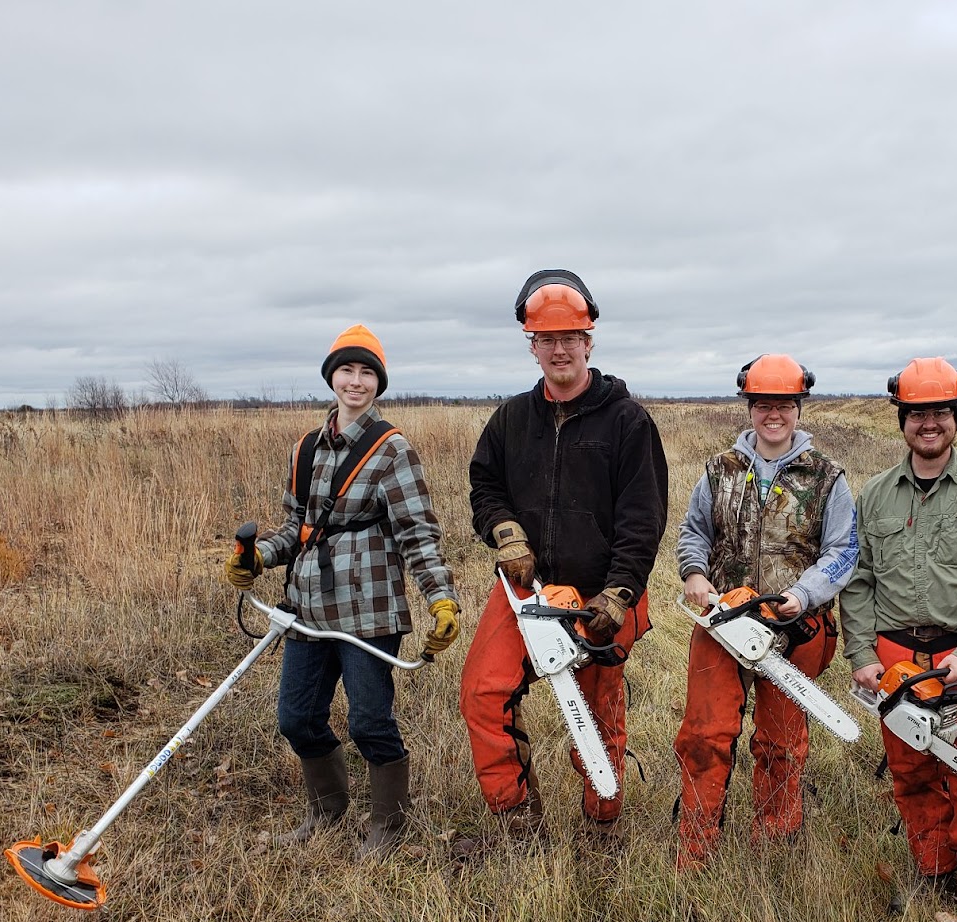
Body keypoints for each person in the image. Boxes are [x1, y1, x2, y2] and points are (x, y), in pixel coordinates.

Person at [225, 324, 461, 859]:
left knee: (369, 721)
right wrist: (258, 557)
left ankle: (389, 826)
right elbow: (297, 528)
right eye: (347, 370)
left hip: (370, 611)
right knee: (297, 717)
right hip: (307, 609)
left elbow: (419, 535)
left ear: (379, 383)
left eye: (367, 372)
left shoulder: (392, 449)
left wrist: (439, 599)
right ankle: (326, 814)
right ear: (331, 376)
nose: (356, 381)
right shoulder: (305, 448)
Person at [461, 270, 668, 839]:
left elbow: (643, 520)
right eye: (546, 339)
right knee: (483, 693)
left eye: (569, 338)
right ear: (532, 345)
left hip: (600, 592)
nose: (558, 349)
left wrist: (620, 592)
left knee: (597, 716)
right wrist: (506, 533)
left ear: (589, 340)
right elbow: (485, 487)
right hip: (526, 590)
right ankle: (516, 819)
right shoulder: (510, 419)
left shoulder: (627, 422)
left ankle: (603, 822)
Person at [839, 358, 957, 922]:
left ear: (956, 417)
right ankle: (934, 871)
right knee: (912, 772)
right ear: (902, 420)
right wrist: (864, 655)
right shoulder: (875, 495)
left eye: (940, 412)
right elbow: (859, 579)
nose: (929, 424)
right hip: (895, 654)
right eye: (917, 413)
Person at [673, 355, 858, 867]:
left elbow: (844, 550)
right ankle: (696, 845)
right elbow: (694, 532)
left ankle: (773, 846)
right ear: (749, 407)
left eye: (783, 405)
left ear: (798, 408)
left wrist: (804, 594)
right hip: (722, 620)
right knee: (705, 734)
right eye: (762, 405)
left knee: (781, 741)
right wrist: (694, 573)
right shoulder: (719, 470)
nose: (773, 414)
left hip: (795, 626)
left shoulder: (826, 477)